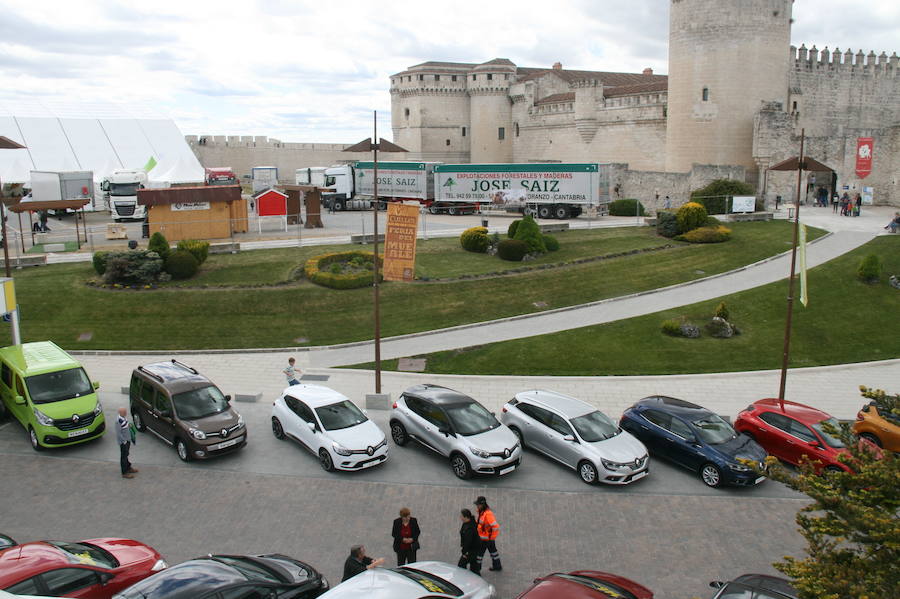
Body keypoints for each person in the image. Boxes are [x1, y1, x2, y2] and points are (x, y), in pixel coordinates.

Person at [474, 496, 502, 572]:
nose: (477, 506)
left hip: (485, 539)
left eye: (478, 504)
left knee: (479, 554)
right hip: (487, 538)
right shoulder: (482, 512)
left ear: (482, 505)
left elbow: (495, 526)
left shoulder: (488, 514)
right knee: (493, 552)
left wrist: (491, 537)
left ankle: (476, 570)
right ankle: (497, 566)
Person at [116, 407, 138, 479]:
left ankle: (128, 467)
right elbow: (119, 434)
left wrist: (129, 425)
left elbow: (125, 425)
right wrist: (124, 441)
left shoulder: (123, 418)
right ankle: (124, 472)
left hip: (127, 440)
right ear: (120, 413)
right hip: (124, 442)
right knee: (124, 456)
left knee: (126, 454)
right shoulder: (118, 421)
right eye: (124, 412)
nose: (126, 413)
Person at [458, 508, 481, 575]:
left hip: (471, 550)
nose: (460, 517)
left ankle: (463, 577)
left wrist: (464, 553)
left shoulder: (469, 529)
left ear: (466, 517)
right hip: (475, 549)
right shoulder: (469, 523)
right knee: (474, 565)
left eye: (461, 516)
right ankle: (477, 577)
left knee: (461, 565)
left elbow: (467, 542)